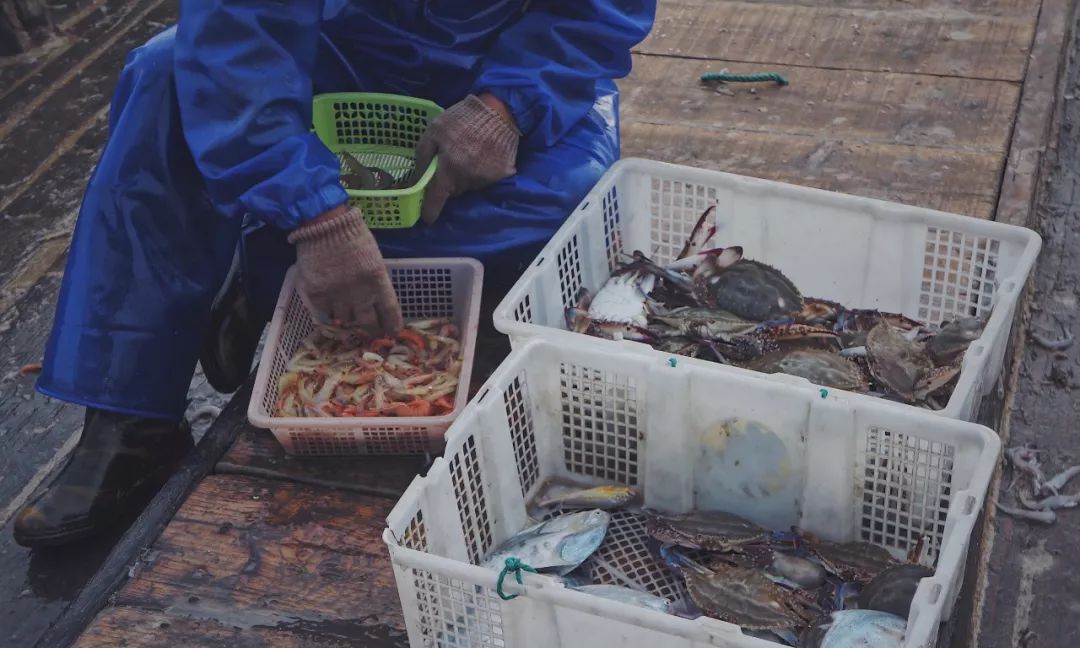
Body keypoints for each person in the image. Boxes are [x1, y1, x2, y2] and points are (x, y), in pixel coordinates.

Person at [12, 1, 656, 548]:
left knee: (572, 197)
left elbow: (599, 11)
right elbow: (236, 34)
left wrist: (508, 105)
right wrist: (315, 217)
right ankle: (131, 420)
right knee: (164, 75)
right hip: (332, 42)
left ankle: (266, 280)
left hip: (500, 63)